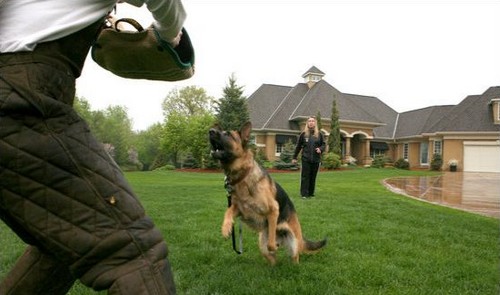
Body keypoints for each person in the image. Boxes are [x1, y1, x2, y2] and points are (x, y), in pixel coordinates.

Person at [0, 1, 186, 294]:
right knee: (133, 251)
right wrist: (171, 30)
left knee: (63, 240)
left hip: (19, 91)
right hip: (21, 99)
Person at [292, 116, 326, 199]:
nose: (311, 122)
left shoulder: (319, 134)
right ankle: (304, 194)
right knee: (305, 176)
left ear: (315, 123)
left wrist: (320, 149)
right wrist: (294, 157)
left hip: (316, 159)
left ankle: (311, 193)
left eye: (313, 121)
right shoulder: (303, 134)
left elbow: (324, 144)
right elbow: (298, 146)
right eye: (309, 121)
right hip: (306, 159)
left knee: (313, 177)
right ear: (307, 123)